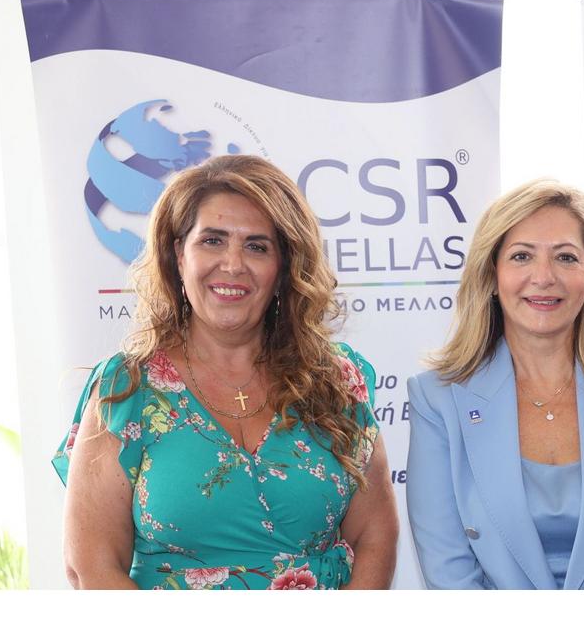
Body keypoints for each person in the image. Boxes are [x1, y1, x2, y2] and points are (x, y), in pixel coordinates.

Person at [53, 154, 399, 589]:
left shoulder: (337, 381)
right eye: (212, 240)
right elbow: (91, 565)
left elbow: (375, 537)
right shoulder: (126, 389)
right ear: (179, 255)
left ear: (284, 267)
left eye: (257, 246)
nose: (233, 264)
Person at [406, 179, 584, 589]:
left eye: (565, 257)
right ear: (492, 272)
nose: (543, 277)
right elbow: (450, 575)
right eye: (521, 256)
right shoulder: (437, 399)